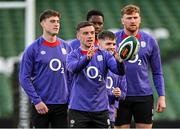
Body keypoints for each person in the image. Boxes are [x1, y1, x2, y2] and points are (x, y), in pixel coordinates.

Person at [114, 4, 166, 129]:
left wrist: (162, 96)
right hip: (120, 95)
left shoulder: (150, 40)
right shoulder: (114, 39)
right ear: (122, 20)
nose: (133, 21)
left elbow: (157, 71)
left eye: (135, 17)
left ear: (140, 19)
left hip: (143, 95)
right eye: (129, 17)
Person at [66, 21, 125, 128]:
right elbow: (73, 68)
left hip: (101, 110)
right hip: (78, 109)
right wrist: (87, 58)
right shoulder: (72, 55)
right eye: (86, 33)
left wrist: (120, 62)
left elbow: (119, 72)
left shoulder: (105, 55)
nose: (90, 36)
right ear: (78, 36)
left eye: (92, 33)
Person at [19, 9, 71, 128]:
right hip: (41, 105)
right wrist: (37, 101)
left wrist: (70, 98)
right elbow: (24, 78)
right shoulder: (32, 49)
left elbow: (71, 76)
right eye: (52, 21)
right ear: (42, 23)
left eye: (58, 21)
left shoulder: (66, 47)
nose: (56, 24)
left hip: (63, 105)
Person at [98, 30, 127, 128]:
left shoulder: (119, 67)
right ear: (99, 44)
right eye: (108, 43)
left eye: (114, 44)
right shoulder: (91, 62)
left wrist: (119, 94)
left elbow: (123, 93)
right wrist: (111, 94)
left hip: (109, 113)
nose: (112, 46)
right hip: (92, 110)